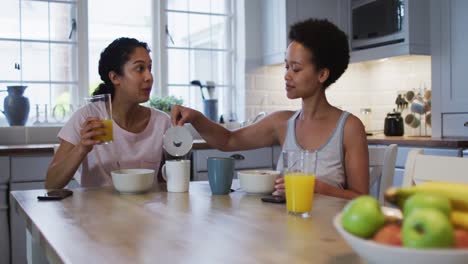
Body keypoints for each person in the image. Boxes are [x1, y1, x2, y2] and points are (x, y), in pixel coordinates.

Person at [171, 19, 369, 200]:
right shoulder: (282, 123)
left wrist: (317, 187)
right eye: (286, 67)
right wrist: (196, 118)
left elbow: (362, 199)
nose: (286, 76)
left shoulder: (349, 128)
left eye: (296, 68)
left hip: (330, 233)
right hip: (287, 228)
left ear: (322, 74)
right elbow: (228, 140)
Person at [45, 37, 171, 189]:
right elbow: (51, 184)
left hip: (145, 210)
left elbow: (165, 184)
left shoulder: (162, 122)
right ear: (115, 77)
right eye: (139, 69)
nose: (149, 77)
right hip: (97, 211)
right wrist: (82, 147)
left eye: (149, 68)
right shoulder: (89, 117)